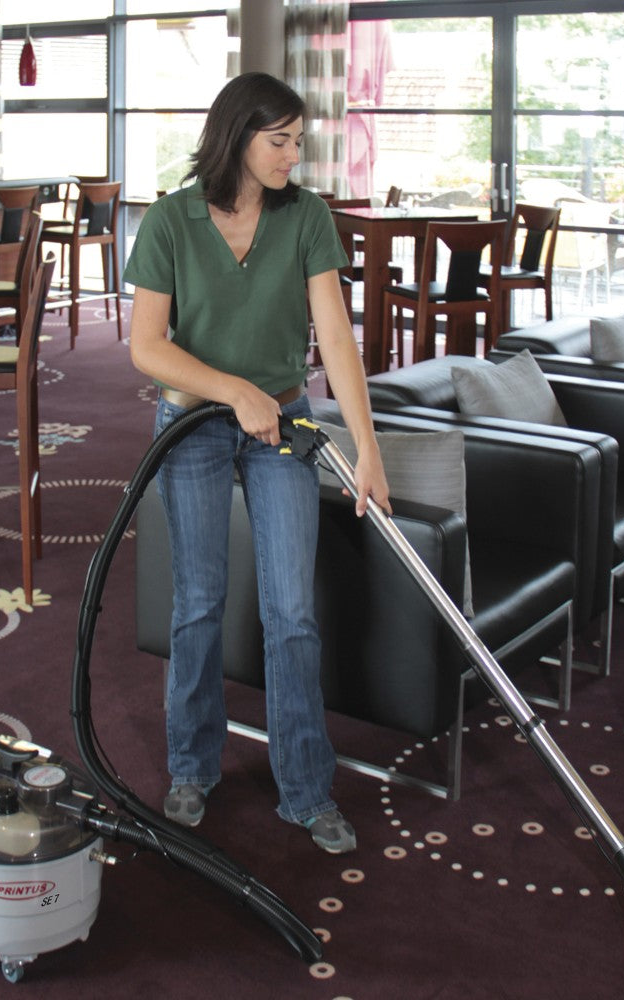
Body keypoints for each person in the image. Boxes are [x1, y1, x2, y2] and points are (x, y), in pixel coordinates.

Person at [124, 71, 390, 855]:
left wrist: (364, 446)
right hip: (191, 428)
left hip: (285, 424)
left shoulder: (305, 217)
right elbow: (146, 347)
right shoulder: (172, 220)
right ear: (236, 137)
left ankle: (307, 789)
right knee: (199, 601)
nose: (292, 155)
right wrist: (232, 390)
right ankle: (191, 768)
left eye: (297, 141)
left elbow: (335, 337)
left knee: (292, 612)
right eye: (279, 141)